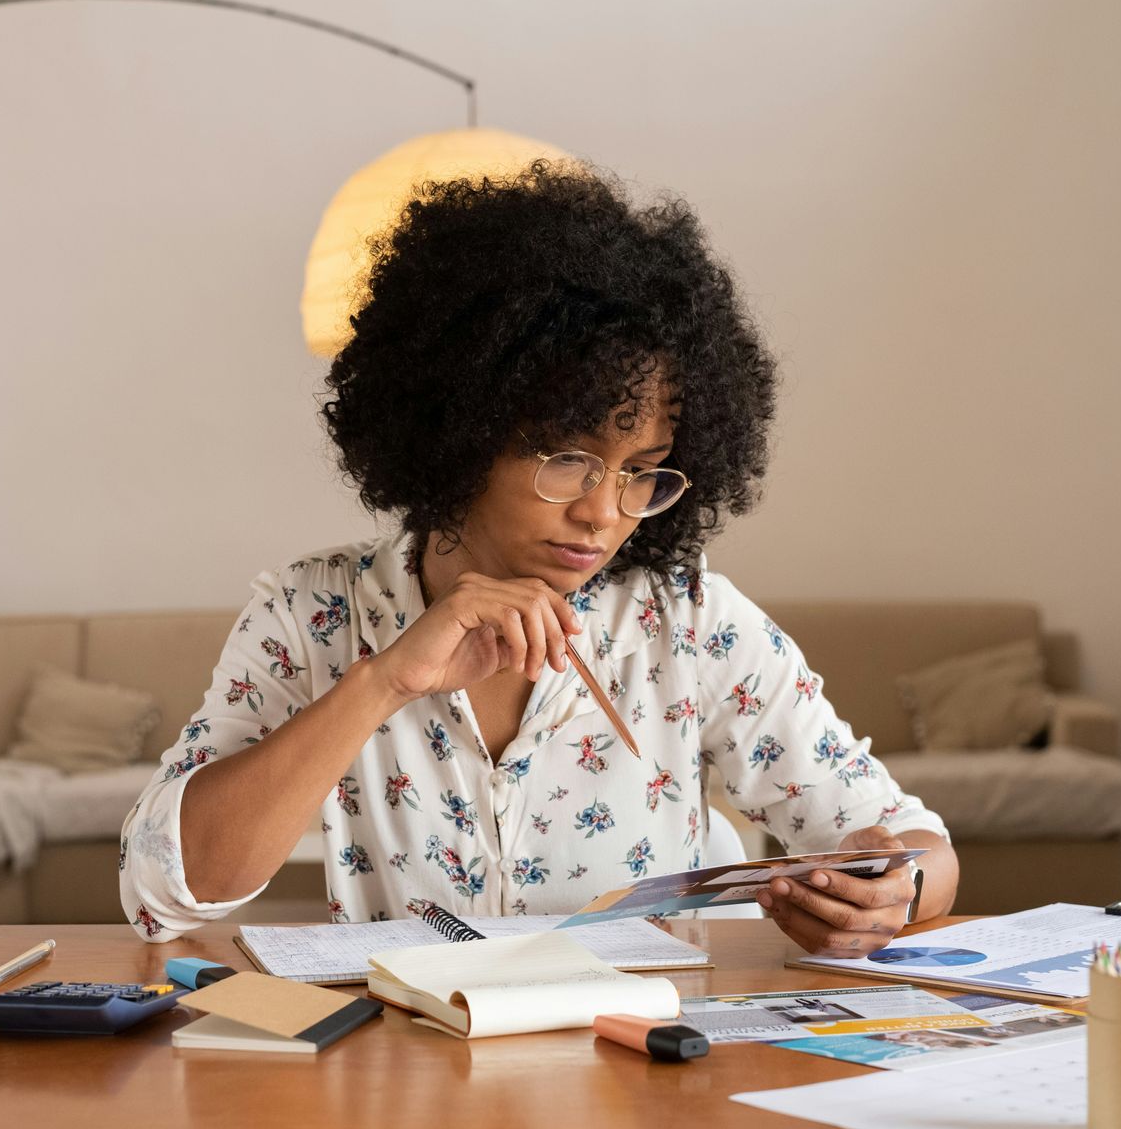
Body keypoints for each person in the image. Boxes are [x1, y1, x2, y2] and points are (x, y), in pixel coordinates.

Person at [118, 160, 957, 953]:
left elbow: (919, 846)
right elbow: (161, 896)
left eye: (640, 472)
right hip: (398, 1088)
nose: (601, 512)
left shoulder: (688, 624)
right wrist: (382, 683)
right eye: (566, 458)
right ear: (462, 430)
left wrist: (894, 892)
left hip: (640, 1077)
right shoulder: (314, 616)